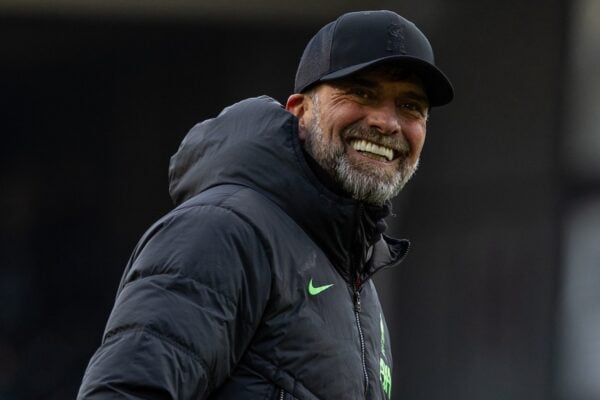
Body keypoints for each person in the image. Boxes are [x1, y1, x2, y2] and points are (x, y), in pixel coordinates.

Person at [77, 10, 453, 400]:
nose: (387, 122)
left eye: (410, 106)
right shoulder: (222, 232)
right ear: (300, 111)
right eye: (361, 92)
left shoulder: (353, 275)